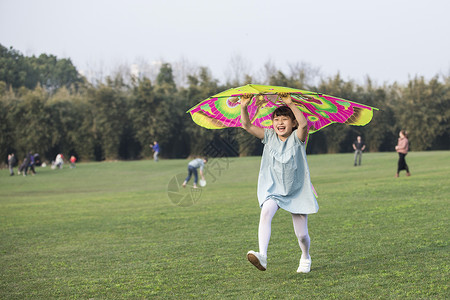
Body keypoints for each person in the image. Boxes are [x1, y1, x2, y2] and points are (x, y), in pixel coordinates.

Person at [240, 92, 318, 273]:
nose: (280, 123)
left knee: (302, 234)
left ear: (293, 123)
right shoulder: (268, 136)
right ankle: (263, 256)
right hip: (273, 189)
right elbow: (246, 125)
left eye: (285, 119)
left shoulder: (298, 138)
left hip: (296, 190)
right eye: (276, 119)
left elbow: (305, 124)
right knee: (265, 212)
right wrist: (244, 106)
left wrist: (290, 103)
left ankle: (305, 256)